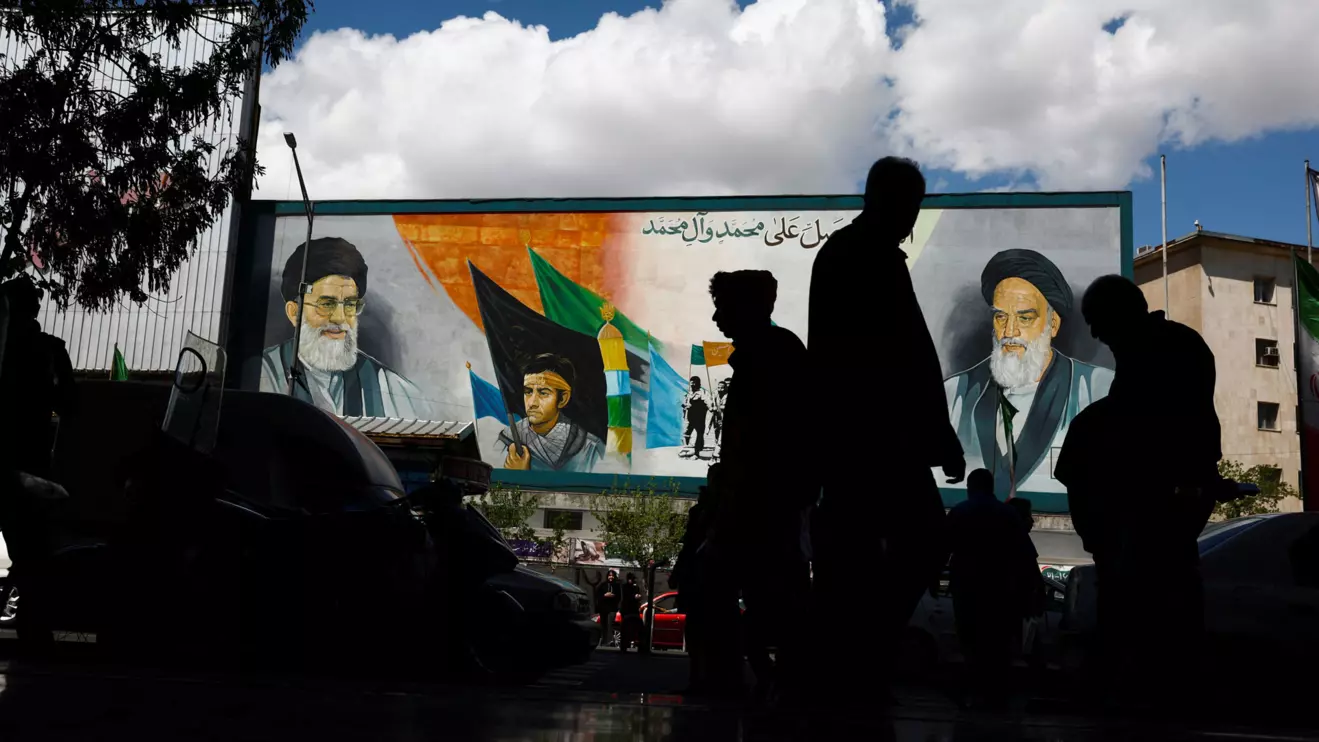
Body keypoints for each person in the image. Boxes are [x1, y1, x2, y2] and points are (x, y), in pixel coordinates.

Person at [808, 157, 964, 701]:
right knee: (919, 540)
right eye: (911, 209)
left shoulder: (849, 253)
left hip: (861, 436)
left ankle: (852, 656)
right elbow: (906, 353)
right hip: (875, 437)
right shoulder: (867, 257)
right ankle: (862, 651)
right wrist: (937, 433)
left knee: (867, 549)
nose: (912, 223)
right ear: (889, 201)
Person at [1058, 274, 1221, 709]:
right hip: (1158, 498)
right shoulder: (1149, 352)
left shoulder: (1164, 351)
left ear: (1121, 311)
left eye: (1096, 320)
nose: (1093, 333)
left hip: (1164, 498)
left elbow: (1153, 425)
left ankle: (1148, 693)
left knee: (1152, 601)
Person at [708, 269, 815, 704]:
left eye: (725, 307)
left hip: (765, 502)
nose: (717, 317)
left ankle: (771, 678)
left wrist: (736, 497)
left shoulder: (772, 357)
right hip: (765, 500)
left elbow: (766, 440)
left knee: (757, 590)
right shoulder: (770, 354)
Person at [944, 249, 1113, 496]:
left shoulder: (1096, 388)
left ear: (1052, 324)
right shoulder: (954, 394)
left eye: (1024, 318)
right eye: (1001, 317)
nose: (1009, 331)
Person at [259, 237, 435, 418]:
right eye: (326, 304)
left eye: (350, 304)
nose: (340, 318)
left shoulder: (395, 392)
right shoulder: (261, 375)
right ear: (294, 312)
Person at [0, 278, 76, 653]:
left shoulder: (11, 349)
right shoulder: (50, 351)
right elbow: (72, 407)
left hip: (17, 465)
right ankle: (32, 626)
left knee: (27, 551)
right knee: (32, 551)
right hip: (30, 466)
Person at [946, 470, 1040, 709]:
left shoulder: (958, 512)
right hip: (999, 591)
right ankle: (994, 696)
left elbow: (942, 548)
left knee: (970, 643)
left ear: (970, 487)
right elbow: (1026, 555)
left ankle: (973, 691)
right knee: (997, 646)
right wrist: (1032, 587)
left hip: (966, 588)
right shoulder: (1008, 515)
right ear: (991, 487)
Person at [498, 353, 606, 472]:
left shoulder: (590, 448)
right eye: (528, 392)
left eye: (543, 393)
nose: (532, 403)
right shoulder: (506, 441)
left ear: (563, 399)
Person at [682, 377, 712, 458]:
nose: (692, 385)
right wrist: (685, 404)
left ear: (698, 383)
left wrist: (711, 408)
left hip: (699, 418)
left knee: (698, 435)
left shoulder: (703, 393)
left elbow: (708, 403)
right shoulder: (689, 393)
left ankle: (697, 453)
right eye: (691, 383)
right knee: (686, 433)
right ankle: (687, 449)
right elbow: (684, 402)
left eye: (694, 383)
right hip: (689, 417)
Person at [618, 573, 644, 652]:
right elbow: (626, 597)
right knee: (626, 628)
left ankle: (632, 643)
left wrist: (638, 598)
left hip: (633, 610)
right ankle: (625, 645)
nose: (632, 580)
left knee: (636, 627)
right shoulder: (624, 587)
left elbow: (637, 596)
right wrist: (634, 597)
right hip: (626, 610)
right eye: (631, 579)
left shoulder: (635, 587)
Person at [594, 570, 621, 647]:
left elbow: (619, 597)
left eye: (612, 575)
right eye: (609, 575)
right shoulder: (603, 585)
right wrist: (604, 595)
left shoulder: (616, 585)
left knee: (609, 624)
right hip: (603, 609)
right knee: (603, 625)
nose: (611, 577)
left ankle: (609, 641)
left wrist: (613, 596)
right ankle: (603, 641)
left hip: (612, 608)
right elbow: (598, 596)